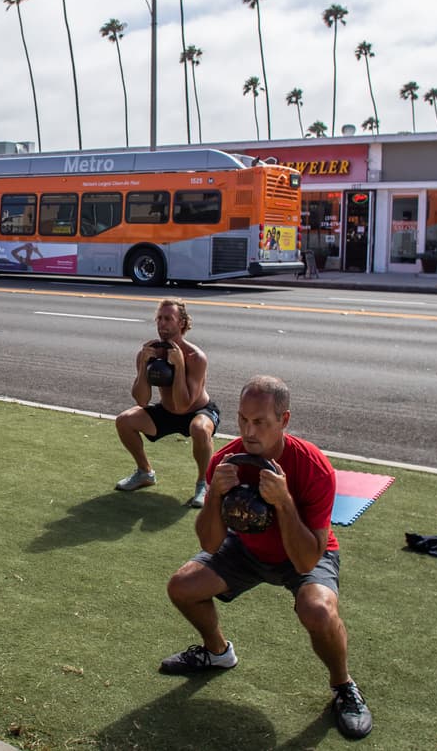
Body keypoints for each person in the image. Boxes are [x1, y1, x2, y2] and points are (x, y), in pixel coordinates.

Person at [159, 375, 373, 740]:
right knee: (182, 586)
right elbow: (211, 544)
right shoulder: (226, 461)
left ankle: (343, 686)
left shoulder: (312, 466)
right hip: (246, 549)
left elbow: (307, 561)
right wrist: (214, 497)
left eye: (260, 422)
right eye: (243, 419)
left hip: (303, 552)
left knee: (317, 610)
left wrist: (285, 501)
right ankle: (217, 652)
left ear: (284, 421)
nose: (248, 430)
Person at [113, 298, 220, 508]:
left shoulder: (195, 357)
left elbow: (183, 405)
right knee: (124, 421)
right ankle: (145, 472)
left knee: (199, 429)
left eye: (168, 318)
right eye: (159, 318)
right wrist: (144, 365)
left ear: (181, 323)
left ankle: (203, 484)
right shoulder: (149, 352)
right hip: (168, 411)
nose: (162, 323)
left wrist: (179, 367)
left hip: (197, 411)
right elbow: (142, 400)